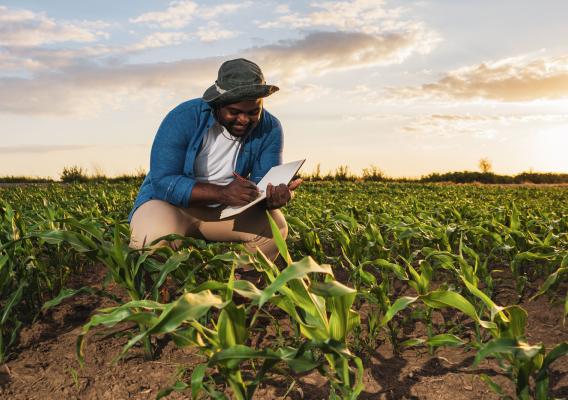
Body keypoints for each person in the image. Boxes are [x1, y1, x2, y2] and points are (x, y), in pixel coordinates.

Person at [128, 58, 301, 261]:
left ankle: (246, 288)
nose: (244, 120)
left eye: (253, 112)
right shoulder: (183, 118)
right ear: (218, 103)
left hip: (224, 212)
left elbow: (263, 185)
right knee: (152, 240)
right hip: (169, 205)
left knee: (275, 229)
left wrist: (275, 197)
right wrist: (222, 193)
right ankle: (155, 290)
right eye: (234, 112)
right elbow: (163, 181)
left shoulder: (270, 128)